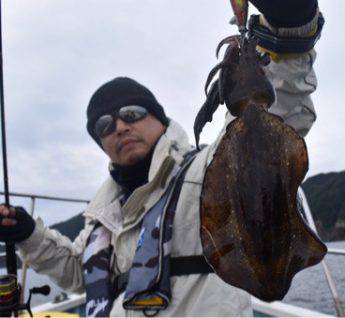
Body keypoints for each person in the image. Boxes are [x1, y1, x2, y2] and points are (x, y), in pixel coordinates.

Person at [0, 1, 324, 316]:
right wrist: (28, 235)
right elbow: (78, 274)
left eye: (132, 113)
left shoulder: (207, 172)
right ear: (100, 142)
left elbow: (277, 109)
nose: (121, 127)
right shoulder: (105, 216)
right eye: (105, 125)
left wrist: (289, 29)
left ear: (160, 119)